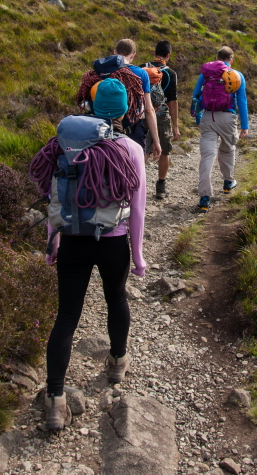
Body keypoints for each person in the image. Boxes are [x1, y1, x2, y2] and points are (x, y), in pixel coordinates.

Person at [43, 79, 146, 430]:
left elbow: (54, 195)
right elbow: (137, 209)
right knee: (116, 299)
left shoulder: (66, 143)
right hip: (113, 239)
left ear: (91, 103)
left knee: (67, 314)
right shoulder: (130, 147)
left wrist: (52, 240)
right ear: (123, 109)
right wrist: (139, 254)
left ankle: (55, 398)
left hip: (72, 237)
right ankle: (117, 362)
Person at [76, 38, 161, 161]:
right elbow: (149, 109)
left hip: (98, 128)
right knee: (133, 170)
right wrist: (156, 141)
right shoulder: (140, 74)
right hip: (131, 130)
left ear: (115, 52)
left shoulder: (99, 72)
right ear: (133, 55)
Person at [192, 45, 249, 213]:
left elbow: (196, 95)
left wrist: (198, 118)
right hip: (227, 117)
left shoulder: (206, 74)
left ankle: (204, 198)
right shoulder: (237, 75)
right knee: (228, 148)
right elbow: (242, 101)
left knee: (207, 155)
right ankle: (227, 182)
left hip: (208, 116)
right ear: (231, 60)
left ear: (217, 57)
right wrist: (244, 126)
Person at [141, 40, 180, 199]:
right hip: (161, 116)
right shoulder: (170, 73)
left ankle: (138, 185)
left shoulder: (141, 68)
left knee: (143, 150)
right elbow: (172, 101)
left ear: (154, 53)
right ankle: (161, 186)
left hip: (142, 115)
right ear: (168, 55)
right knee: (164, 151)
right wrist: (176, 126)